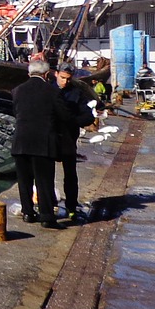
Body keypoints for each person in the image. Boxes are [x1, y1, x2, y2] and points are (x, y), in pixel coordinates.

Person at [11, 57, 63, 228]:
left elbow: (16, 112)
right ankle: (46, 215)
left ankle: (28, 212)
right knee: (43, 180)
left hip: (21, 141)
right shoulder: (52, 91)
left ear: (29, 73)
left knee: (24, 180)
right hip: (43, 142)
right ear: (47, 74)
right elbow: (60, 116)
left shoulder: (17, 90)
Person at [53, 62, 95, 223]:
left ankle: (71, 206)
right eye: (63, 78)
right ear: (56, 74)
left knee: (70, 175)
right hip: (51, 138)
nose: (65, 82)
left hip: (69, 139)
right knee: (46, 175)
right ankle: (48, 204)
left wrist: (72, 121)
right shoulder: (49, 90)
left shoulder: (77, 93)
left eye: (68, 79)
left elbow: (89, 116)